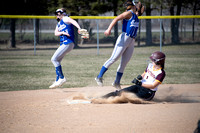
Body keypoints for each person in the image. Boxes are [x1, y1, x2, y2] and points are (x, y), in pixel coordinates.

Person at [95, 0, 145, 89]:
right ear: (133, 5)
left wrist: (140, 4)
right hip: (124, 38)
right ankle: (99, 77)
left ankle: (116, 82)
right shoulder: (128, 13)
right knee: (113, 58)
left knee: (124, 63)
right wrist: (109, 29)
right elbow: (116, 18)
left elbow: (141, 9)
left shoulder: (135, 14)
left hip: (131, 41)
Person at [49, 8, 82, 89]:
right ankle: (57, 80)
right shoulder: (59, 23)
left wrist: (79, 28)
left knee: (53, 59)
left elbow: (73, 21)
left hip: (68, 43)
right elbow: (56, 33)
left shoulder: (65, 18)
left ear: (63, 13)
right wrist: (62, 32)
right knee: (57, 61)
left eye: (59, 13)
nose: (57, 15)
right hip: (64, 44)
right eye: (56, 14)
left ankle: (62, 78)